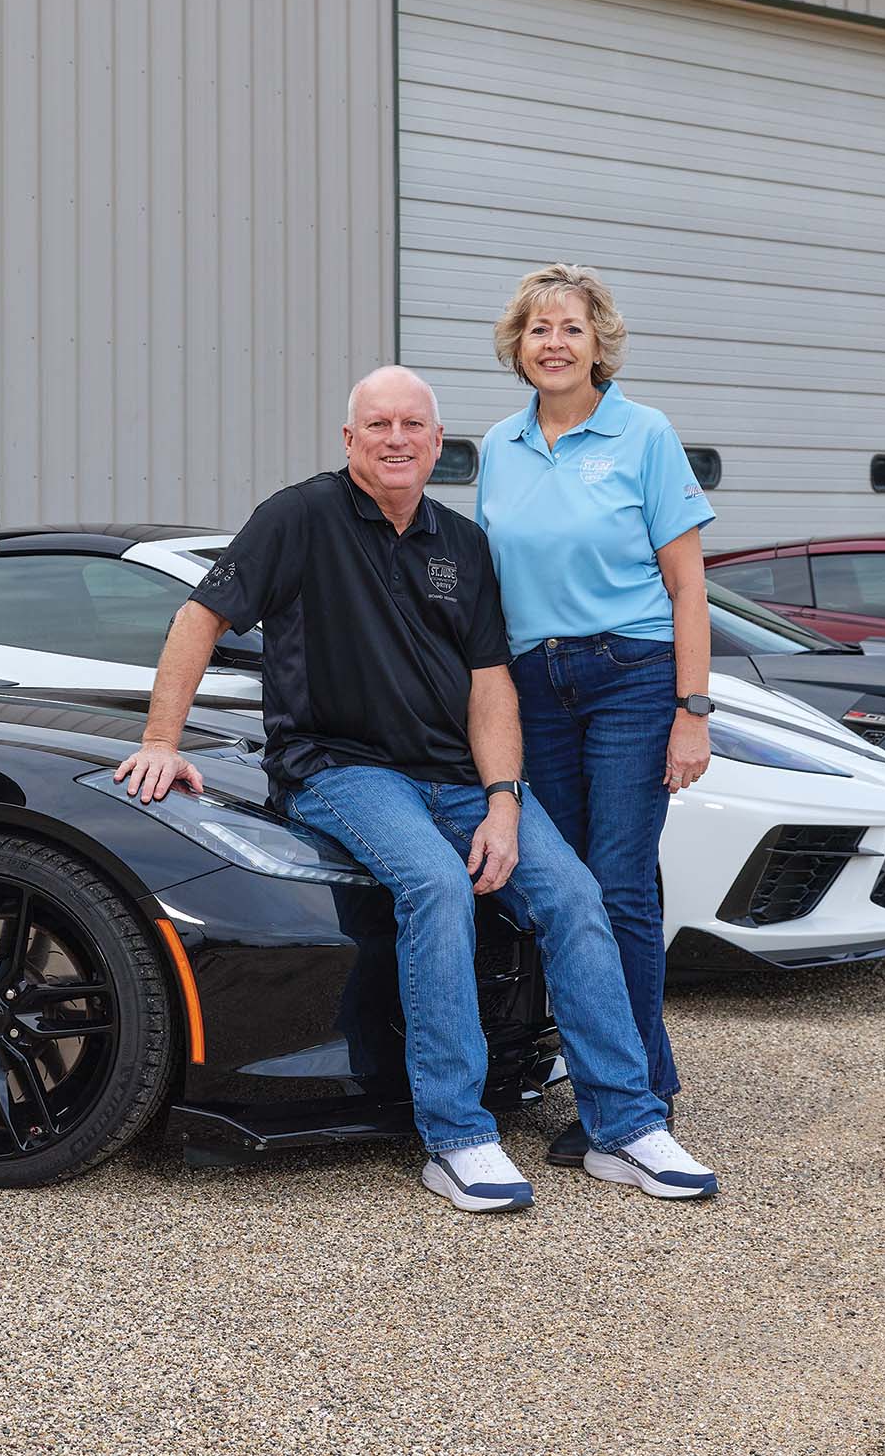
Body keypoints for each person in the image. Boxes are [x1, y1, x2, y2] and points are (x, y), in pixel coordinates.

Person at [112, 366, 719, 1210]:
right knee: (435, 884)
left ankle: (623, 1123)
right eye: (378, 425)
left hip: (461, 778)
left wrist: (505, 799)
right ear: (350, 439)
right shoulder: (299, 517)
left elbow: (491, 685)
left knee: (576, 893)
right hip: (340, 768)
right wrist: (160, 740)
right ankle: (457, 1136)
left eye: (412, 426)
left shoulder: (462, 546)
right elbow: (198, 617)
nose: (395, 439)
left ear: (438, 444)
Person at [475, 264, 714, 1172]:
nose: (554, 343)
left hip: (631, 677)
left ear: (598, 342)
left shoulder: (645, 434)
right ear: (518, 344)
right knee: (564, 894)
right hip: (536, 685)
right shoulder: (498, 445)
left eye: (571, 328)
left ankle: (637, 1098)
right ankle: (614, 1077)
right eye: (539, 329)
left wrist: (692, 710)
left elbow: (689, 587)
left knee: (618, 886)